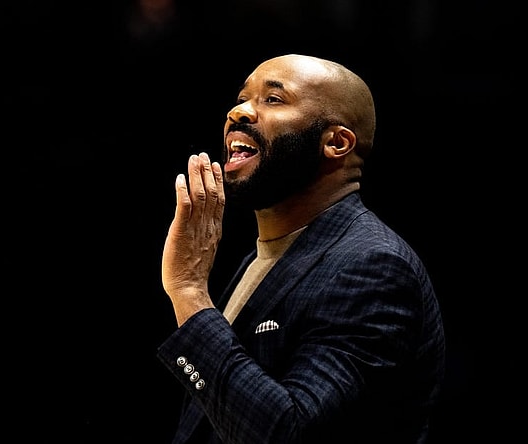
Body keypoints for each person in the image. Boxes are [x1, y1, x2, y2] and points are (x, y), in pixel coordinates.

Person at [157, 54, 445, 444]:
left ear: (336, 143)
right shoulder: (261, 259)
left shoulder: (372, 266)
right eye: (243, 97)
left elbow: (289, 432)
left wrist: (189, 291)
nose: (238, 111)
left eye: (273, 99)